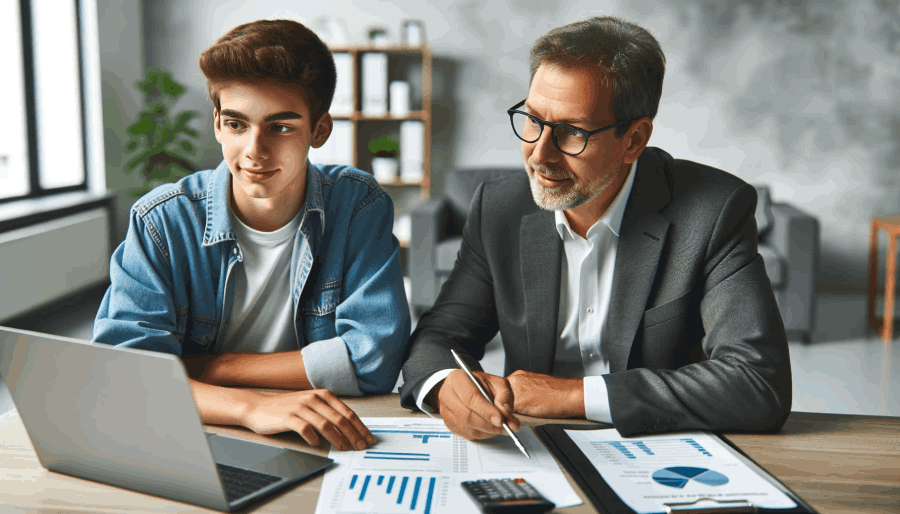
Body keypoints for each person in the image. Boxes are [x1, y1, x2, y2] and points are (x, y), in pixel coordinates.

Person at [398, 16, 792, 440]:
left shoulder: (713, 210)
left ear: (635, 140)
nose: (539, 154)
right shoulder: (498, 207)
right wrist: (444, 385)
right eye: (533, 120)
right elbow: (438, 338)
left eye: (571, 132)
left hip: (656, 449)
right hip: (531, 447)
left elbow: (758, 383)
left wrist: (573, 396)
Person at [93, 19, 410, 452]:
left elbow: (374, 359)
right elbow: (128, 375)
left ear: (319, 130)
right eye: (238, 124)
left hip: (314, 427)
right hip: (198, 429)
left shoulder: (357, 205)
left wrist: (218, 367)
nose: (255, 151)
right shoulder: (160, 221)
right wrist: (250, 406)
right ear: (219, 124)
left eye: (281, 127)